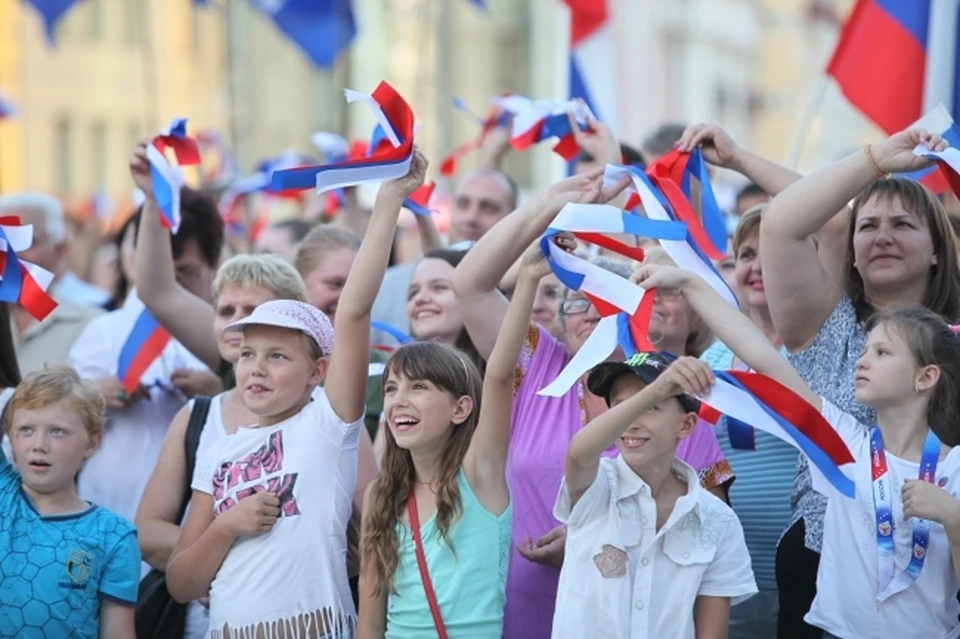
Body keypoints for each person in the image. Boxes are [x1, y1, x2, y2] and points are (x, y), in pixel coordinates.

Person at [452, 168, 732, 639]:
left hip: (634, 617)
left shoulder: (674, 403)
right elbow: (470, 285)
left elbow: (711, 527)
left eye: (609, 297)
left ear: (639, 312)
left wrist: (590, 539)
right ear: (559, 320)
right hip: (522, 609)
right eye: (576, 300)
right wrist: (547, 203)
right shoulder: (536, 367)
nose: (591, 311)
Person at [166, 150, 427, 637]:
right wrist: (228, 524)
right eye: (247, 354)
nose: (256, 368)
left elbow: (352, 312)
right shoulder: (219, 448)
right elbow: (182, 583)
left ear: (318, 370)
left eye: (278, 356)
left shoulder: (327, 425)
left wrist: (389, 198)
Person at [635, 263, 960, 639]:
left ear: (926, 377)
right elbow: (765, 361)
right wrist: (689, 284)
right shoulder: (844, 444)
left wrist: (953, 518)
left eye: (882, 352)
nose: (862, 360)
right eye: (865, 349)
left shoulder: (953, 468)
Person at [758, 127, 960, 636]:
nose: (883, 236)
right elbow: (781, 223)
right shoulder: (825, 325)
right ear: (849, 250)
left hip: (943, 561)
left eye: (902, 225)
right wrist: (875, 160)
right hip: (824, 561)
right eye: (867, 226)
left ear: (938, 249)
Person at [357, 235, 552, 638]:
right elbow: (370, 620)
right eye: (392, 389)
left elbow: (498, 373)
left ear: (461, 409)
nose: (399, 401)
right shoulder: (383, 493)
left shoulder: (480, 473)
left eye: (419, 388)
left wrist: (529, 278)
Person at [135, 253, 316, 639]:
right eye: (225, 309)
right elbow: (148, 532)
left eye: (251, 309)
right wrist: (222, 550)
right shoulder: (197, 416)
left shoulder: (327, 422)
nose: (235, 321)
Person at [553, 352, 757, 638]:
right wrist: (658, 390)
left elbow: (712, 631)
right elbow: (578, 454)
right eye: (621, 407)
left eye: (650, 407)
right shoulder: (598, 485)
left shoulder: (718, 519)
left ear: (686, 425)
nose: (631, 422)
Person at [69, 206, 222, 526]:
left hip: (194, 514)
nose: (172, 284)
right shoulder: (104, 330)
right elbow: (59, 406)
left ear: (213, 266)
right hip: (106, 505)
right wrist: (94, 394)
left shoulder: (224, 336)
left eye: (187, 272)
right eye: (163, 271)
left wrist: (222, 388)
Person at [699, 207, 797, 638]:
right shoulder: (711, 360)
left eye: (771, 253)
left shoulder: (817, 355)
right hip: (728, 579)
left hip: (806, 572)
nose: (756, 267)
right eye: (745, 254)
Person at [0, 366, 141, 638]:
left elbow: (118, 632)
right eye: (26, 429)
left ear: (92, 442)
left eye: (57, 431)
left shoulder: (114, 535)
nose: (39, 444)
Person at [0, 193, 104, 375]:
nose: (14, 254)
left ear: (60, 249)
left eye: (27, 242)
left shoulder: (93, 325)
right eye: (5, 242)